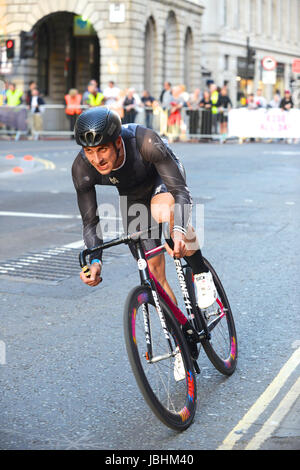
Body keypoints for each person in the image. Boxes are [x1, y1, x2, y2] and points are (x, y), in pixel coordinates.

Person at [72, 106, 218, 323]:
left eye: (102, 149)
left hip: (163, 181)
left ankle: (200, 273)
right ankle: (181, 334)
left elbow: (180, 192)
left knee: (162, 210)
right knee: (154, 275)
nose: (96, 159)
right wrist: (95, 261)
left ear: (118, 143)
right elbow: (90, 222)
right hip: (133, 196)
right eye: (89, 151)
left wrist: (177, 231)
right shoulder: (82, 168)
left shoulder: (145, 142)